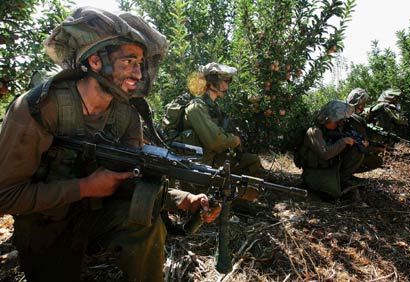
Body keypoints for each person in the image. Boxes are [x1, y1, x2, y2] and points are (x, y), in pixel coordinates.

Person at [0, 7, 219, 282]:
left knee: (145, 221)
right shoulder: (38, 109)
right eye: (128, 61)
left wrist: (183, 200)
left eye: (140, 64)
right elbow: (5, 196)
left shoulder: (127, 114)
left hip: (97, 215)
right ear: (94, 61)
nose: (137, 74)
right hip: (45, 225)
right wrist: (84, 187)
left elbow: (132, 178)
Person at [175, 62, 265, 178]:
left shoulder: (213, 107)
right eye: (224, 81)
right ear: (212, 83)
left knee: (252, 161)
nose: (226, 87)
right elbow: (215, 141)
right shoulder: (197, 107)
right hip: (199, 165)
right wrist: (235, 140)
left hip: (213, 159)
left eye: (228, 82)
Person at [298, 100, 365, 200]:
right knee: (335, 195)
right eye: (337, 120)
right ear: (328, 119)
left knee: (356, 151)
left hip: (329, 169)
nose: (339, 123)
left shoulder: (330, 131)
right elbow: (325, 154)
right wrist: (343, 142)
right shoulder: (314, 131)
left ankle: (341, 180)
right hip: (315, 172)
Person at [345, 88, 384, 172]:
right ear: (356, 103)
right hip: (344, 155)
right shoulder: (356, 119)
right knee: (377, 160)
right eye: (361, 104)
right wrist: (377, 149)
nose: (363, 107)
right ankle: (345, 176)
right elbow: (363, 145)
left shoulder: (342, 113)